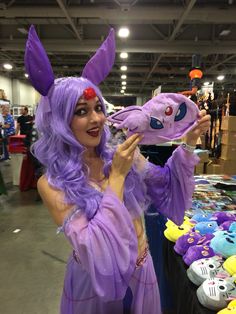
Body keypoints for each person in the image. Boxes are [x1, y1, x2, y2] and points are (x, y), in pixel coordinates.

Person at [24, 25, 211, 314]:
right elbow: (93, 249)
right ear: (60, 121)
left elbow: (164, 188)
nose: (97, 118)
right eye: (81, 111)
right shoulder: (52, 184)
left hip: (141, 273)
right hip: (94, 287)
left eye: (98, 107)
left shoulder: (123, 156)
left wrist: (188, 143)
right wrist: (118, 177)